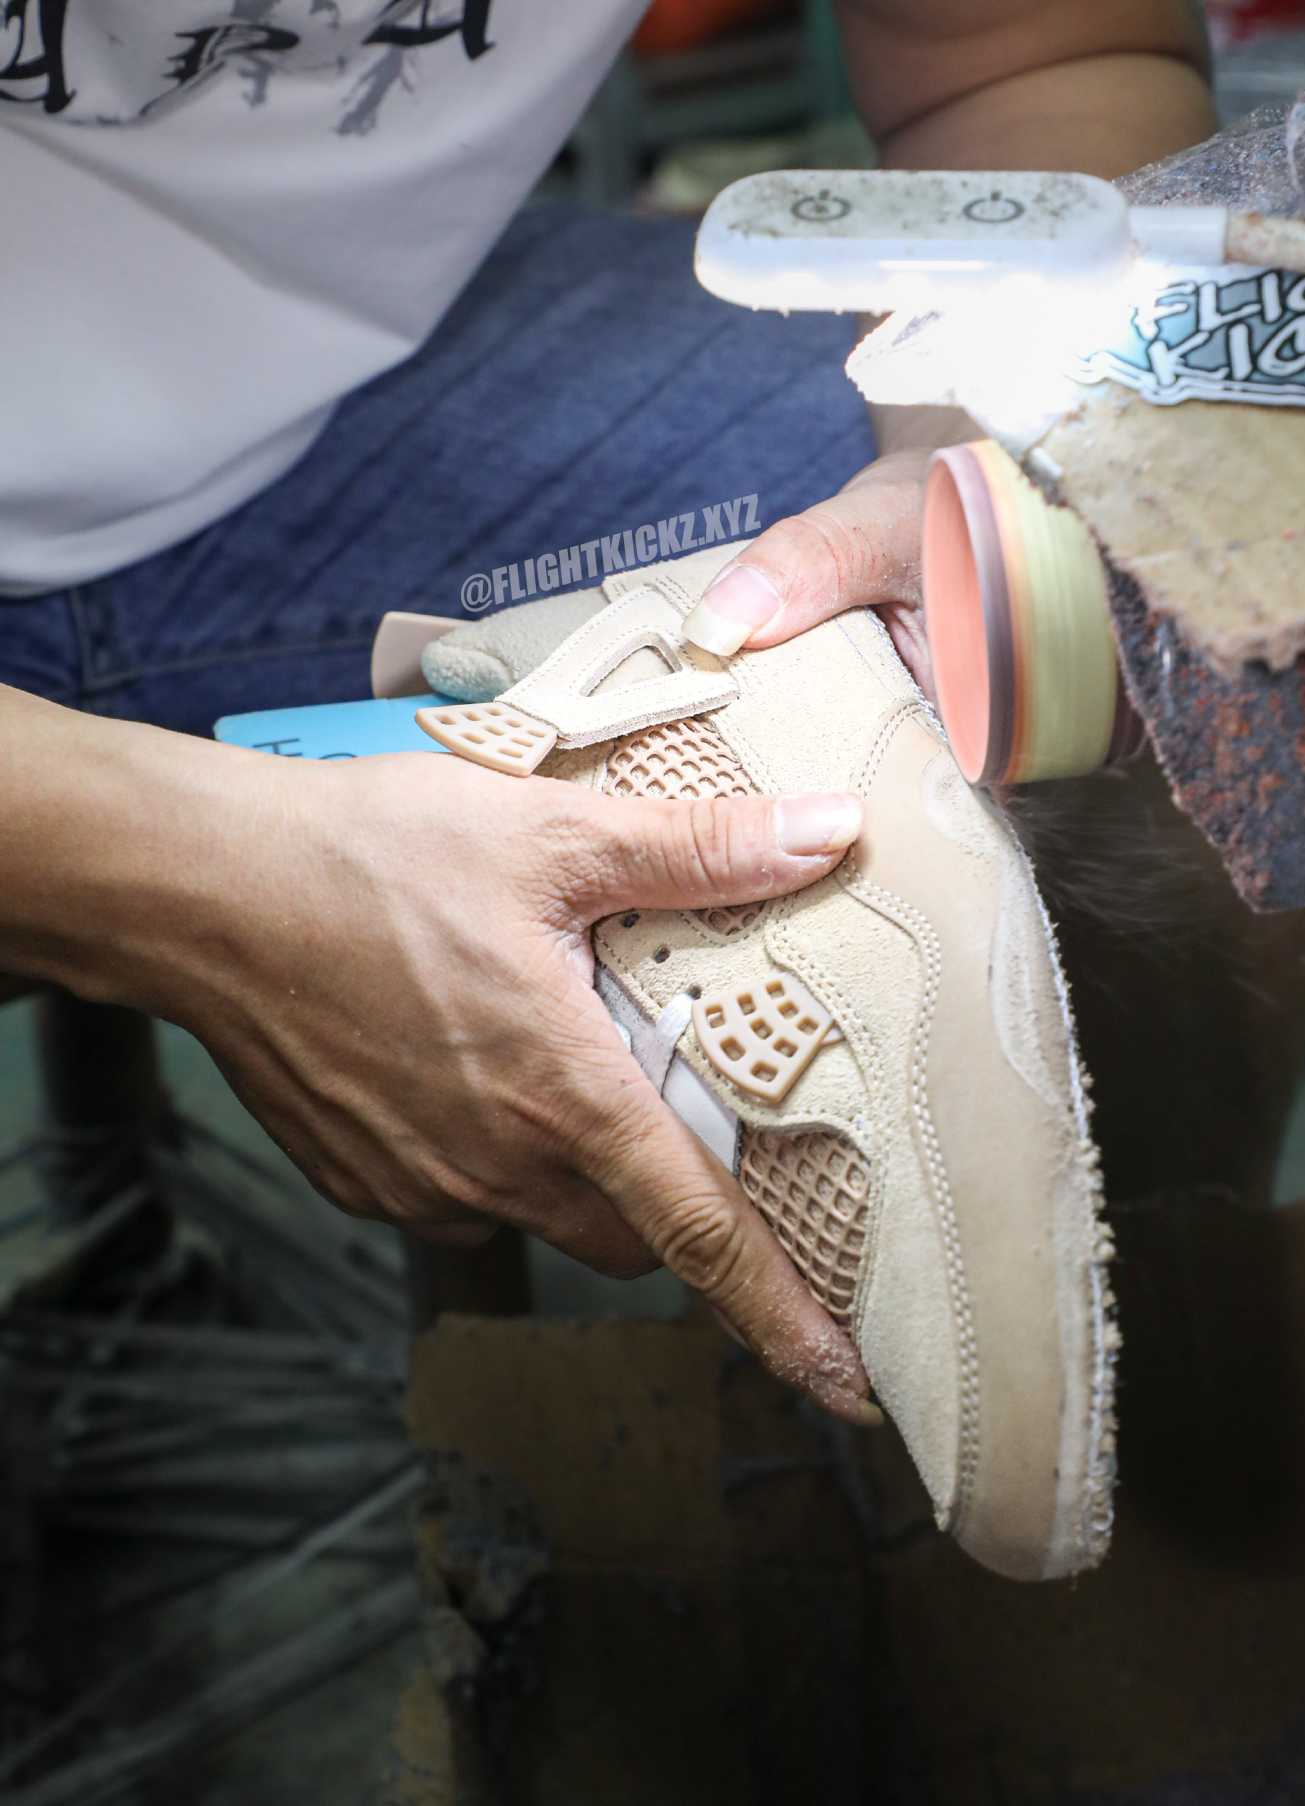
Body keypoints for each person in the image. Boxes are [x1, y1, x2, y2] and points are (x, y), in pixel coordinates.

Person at [0, 2, 1225, 1422]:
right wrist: (183, 881)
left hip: (320, 397)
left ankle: (1138, 1457)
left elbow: (1031, 62)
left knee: (1201, 554)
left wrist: (980, 464)